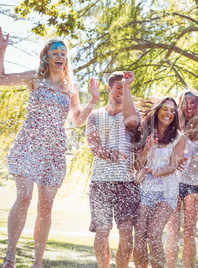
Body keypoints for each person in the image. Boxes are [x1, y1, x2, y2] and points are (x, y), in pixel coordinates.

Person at [0, 28, 99, 268]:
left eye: (63, 53)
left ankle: (38, 262)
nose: (60, 56)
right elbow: (2, 81)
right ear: (46, 56)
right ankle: (10, 256)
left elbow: (76, 120)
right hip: (29, 145)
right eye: (55, 52)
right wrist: (2, 51)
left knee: (45, 208)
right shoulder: (34, 78)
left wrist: (93, 101)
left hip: (54, 151)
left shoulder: (70, 87)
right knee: (23, 198)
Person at [85, 71, 140, 268]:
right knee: (102, 230)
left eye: (124, 89)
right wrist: (108, 154)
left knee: (126, 233)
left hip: (126, 183)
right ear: (108, 89)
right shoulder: (95, 115)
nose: (120, 93)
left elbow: (133, 122)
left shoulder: (132, 113)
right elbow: (93, 146)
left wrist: (127, 86)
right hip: (100, 182)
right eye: (117, 88)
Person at [133, 97, 186, 268]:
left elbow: (173, 166)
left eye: (172, 111)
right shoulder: (144, 132)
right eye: (165, 109)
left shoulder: (179, 138)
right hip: (145, 191)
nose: (169, 113)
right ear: (157, 110)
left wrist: (157, 172)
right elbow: (137, 165)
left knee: (154, 233)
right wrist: (147, 149)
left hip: (166, 191)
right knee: (140, 236)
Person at [166, 90, 198, 268]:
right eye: (187, 101)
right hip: (173, 182)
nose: (190, 105)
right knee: (173, 230)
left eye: (194, 102)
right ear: (180, 104)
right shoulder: (171, 128)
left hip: (194, 183)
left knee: (189, 231)